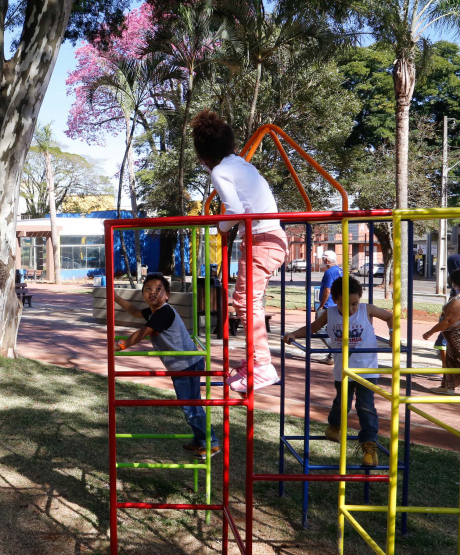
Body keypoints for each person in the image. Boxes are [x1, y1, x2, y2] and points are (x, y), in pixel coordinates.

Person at [191, 109, 287, 392]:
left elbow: (233, 209)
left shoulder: (220, 171)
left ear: (203, 156)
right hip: (270, 238)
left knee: (245, 302)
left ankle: (262, 367)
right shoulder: (243, 165)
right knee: (248, 301)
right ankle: (253, 362)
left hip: (261, 239)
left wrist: (220, 228)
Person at [283, 276, 393, 467]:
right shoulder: (331, 313)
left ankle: (369, 447)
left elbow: (391, 316)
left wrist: (393, 335)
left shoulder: (367, 310)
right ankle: (334, 426)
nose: (351, 309)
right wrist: (294, 334)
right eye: (345, 304)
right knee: (342, 402)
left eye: (354, 303)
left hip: (366, 370)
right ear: (335, 300)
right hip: (343, 369)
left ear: (360, 298)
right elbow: (313, 328)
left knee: (365, 407)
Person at [114, 273, 220, 459]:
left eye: (158, 289)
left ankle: (211, 443)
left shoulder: (164, 312)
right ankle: (200, 441)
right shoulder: (154, 311)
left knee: (191, 408)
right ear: (143, 294)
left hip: (186, 365)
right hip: (182, 365)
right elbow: (134, 311)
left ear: (167, 294)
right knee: (191, 405)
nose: (152, 293)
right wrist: (115, 298)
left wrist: (121, 345)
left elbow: (143, 333)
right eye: (148, 289)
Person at [422, 269, 460, 395]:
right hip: (452, 337)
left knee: (455, 360)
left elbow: (447, 321)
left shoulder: (457, 302)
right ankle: (448, 386)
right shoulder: (456, 299)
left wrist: (430, 332)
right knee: (450, 361)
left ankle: (448, 386)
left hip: (457, 337)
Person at [317, 250, 343, 365]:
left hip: (328, 305)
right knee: (332, 330)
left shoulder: (329, 272)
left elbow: (327, 290)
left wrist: (321, 306)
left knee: (318, 328)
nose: (323, 261)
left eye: (323, 259)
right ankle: (332, 355)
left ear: (327, 259)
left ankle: (335, 350)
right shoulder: (340, 271)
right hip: (338, 304)